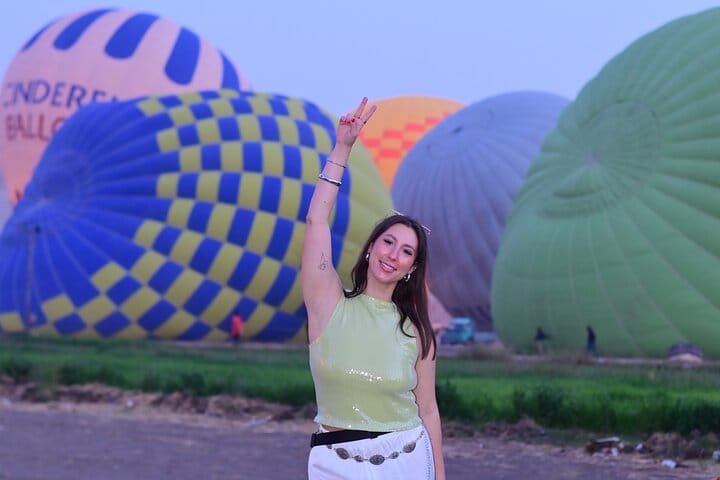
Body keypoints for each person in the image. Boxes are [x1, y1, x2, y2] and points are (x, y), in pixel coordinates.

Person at [302, 97, 445, 479]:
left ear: (411, 269)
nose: (393, 255)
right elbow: (317, 221)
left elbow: (428, 410)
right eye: (388, 242)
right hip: (335, 461)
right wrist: (342, 148)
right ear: (370, 248)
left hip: (406, 459)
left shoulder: (416, 331)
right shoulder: (328, 305)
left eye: (406, 252)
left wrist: (439, 476)